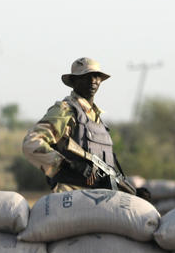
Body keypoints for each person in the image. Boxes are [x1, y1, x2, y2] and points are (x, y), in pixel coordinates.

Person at [22, 57, 148, 198]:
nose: (93, 80)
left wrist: (133, 193)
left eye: (97, 76)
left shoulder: (98, 120)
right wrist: (66, 165)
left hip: (99, 199)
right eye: (86, 76)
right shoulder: (66, 111)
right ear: (74, 81)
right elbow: (31, 143)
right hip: (71, 198)